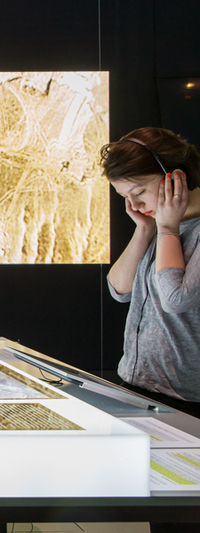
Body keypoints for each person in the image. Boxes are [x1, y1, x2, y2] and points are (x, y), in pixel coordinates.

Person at [103, 127, 200, 417]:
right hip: (136, 386)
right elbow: (119, 290)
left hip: (186, 402)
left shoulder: (172, 229)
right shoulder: (158, 225)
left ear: (177, 177)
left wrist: (168, 228)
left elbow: (176, 300)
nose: (134, 205)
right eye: (125, 196)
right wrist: (145, 229)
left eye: (139, 192)